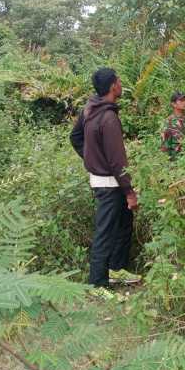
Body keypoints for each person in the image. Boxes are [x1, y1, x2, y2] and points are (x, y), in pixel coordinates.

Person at [70, 68, 141, 287]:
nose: (121, 84)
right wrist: (130, 193)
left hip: (106, 181)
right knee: (105, 232)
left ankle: (116, 269)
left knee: (123, 224)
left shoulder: (90, 109)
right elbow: (117, 162)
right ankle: (97, 284)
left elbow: (75, 137)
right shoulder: (108, 117)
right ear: (112, 86)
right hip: (110, 184)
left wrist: (91, 157)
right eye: (119, 81)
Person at [160, 91, 185, 160]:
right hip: (175, 161)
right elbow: (164, 146)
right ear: (174, 104)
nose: (184, 102)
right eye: (181, 100)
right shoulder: (168, 122)